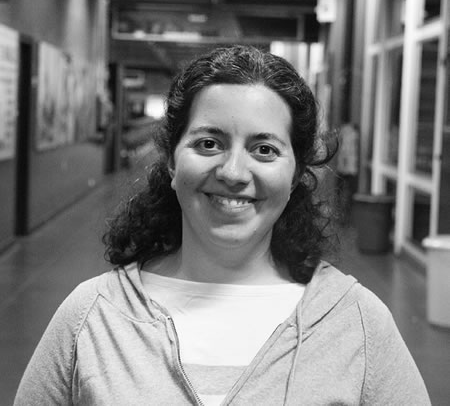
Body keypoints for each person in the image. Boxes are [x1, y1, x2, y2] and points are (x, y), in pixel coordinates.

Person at [14, 45, 430, 405]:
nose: (233, 172)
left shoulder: (357, 323)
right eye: (209, 143)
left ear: (295, 176)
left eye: (264, 149)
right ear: (172, 161)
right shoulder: (91, 317)